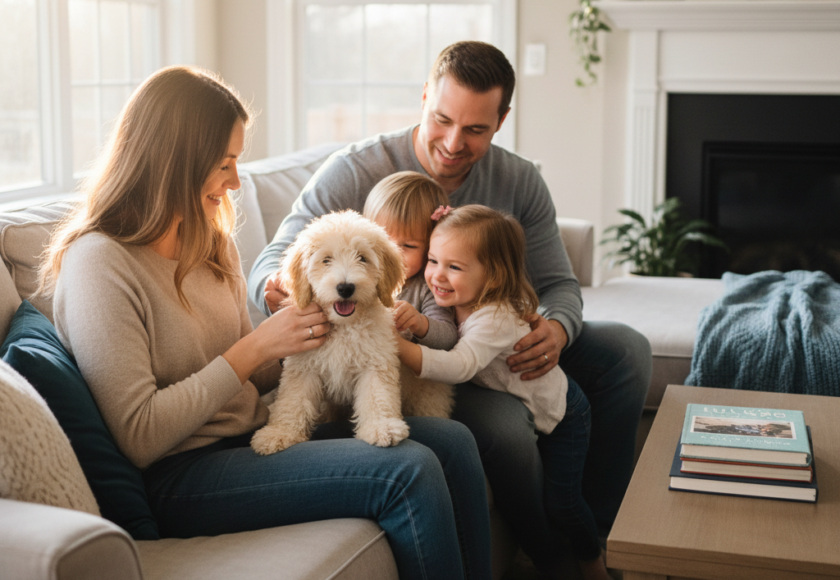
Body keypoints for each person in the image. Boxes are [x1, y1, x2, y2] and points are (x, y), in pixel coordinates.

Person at [39, 65, 492, 580]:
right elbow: (140, 433)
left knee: (452, 442)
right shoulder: (99, 263)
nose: (235, 181)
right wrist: (257, 347)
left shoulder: (207, 240)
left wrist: (313, 340)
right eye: (224, 163)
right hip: (178, 475)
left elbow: (253, 379)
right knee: (408, 472)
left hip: (247, 435)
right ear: (175, 160)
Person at [248, 41, 652, 573]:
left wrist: (556, 328)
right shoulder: (356, 168)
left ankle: (598, 537)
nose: (453, 144)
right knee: (508, 428)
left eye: (476, 130)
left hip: (492, 339)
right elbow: (279, 254)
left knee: (626, 349)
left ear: (502, 120)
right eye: (442, 120)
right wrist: (276, 285)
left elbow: (558, 283)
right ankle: (552, 552)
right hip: (427, 364)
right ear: (423, 98)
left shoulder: (519, 180)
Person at [397, 205, 611, 580]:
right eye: (432, 259)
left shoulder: (492, 317)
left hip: (563, 414)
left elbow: (459, 365)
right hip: (524, 402)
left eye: (454, 267)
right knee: (546, 494)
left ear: (493, 276)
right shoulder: (458, 301)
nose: (436, 275)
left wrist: (395, 346)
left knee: (563, 503)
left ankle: (594, 563)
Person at [362, 171, 457, 350]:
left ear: (431, 248)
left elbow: (449, 338)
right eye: (383, 240)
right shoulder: (355, 276)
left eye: (409, 246)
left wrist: (420, 323)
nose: (393, 254)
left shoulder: (427, 288)